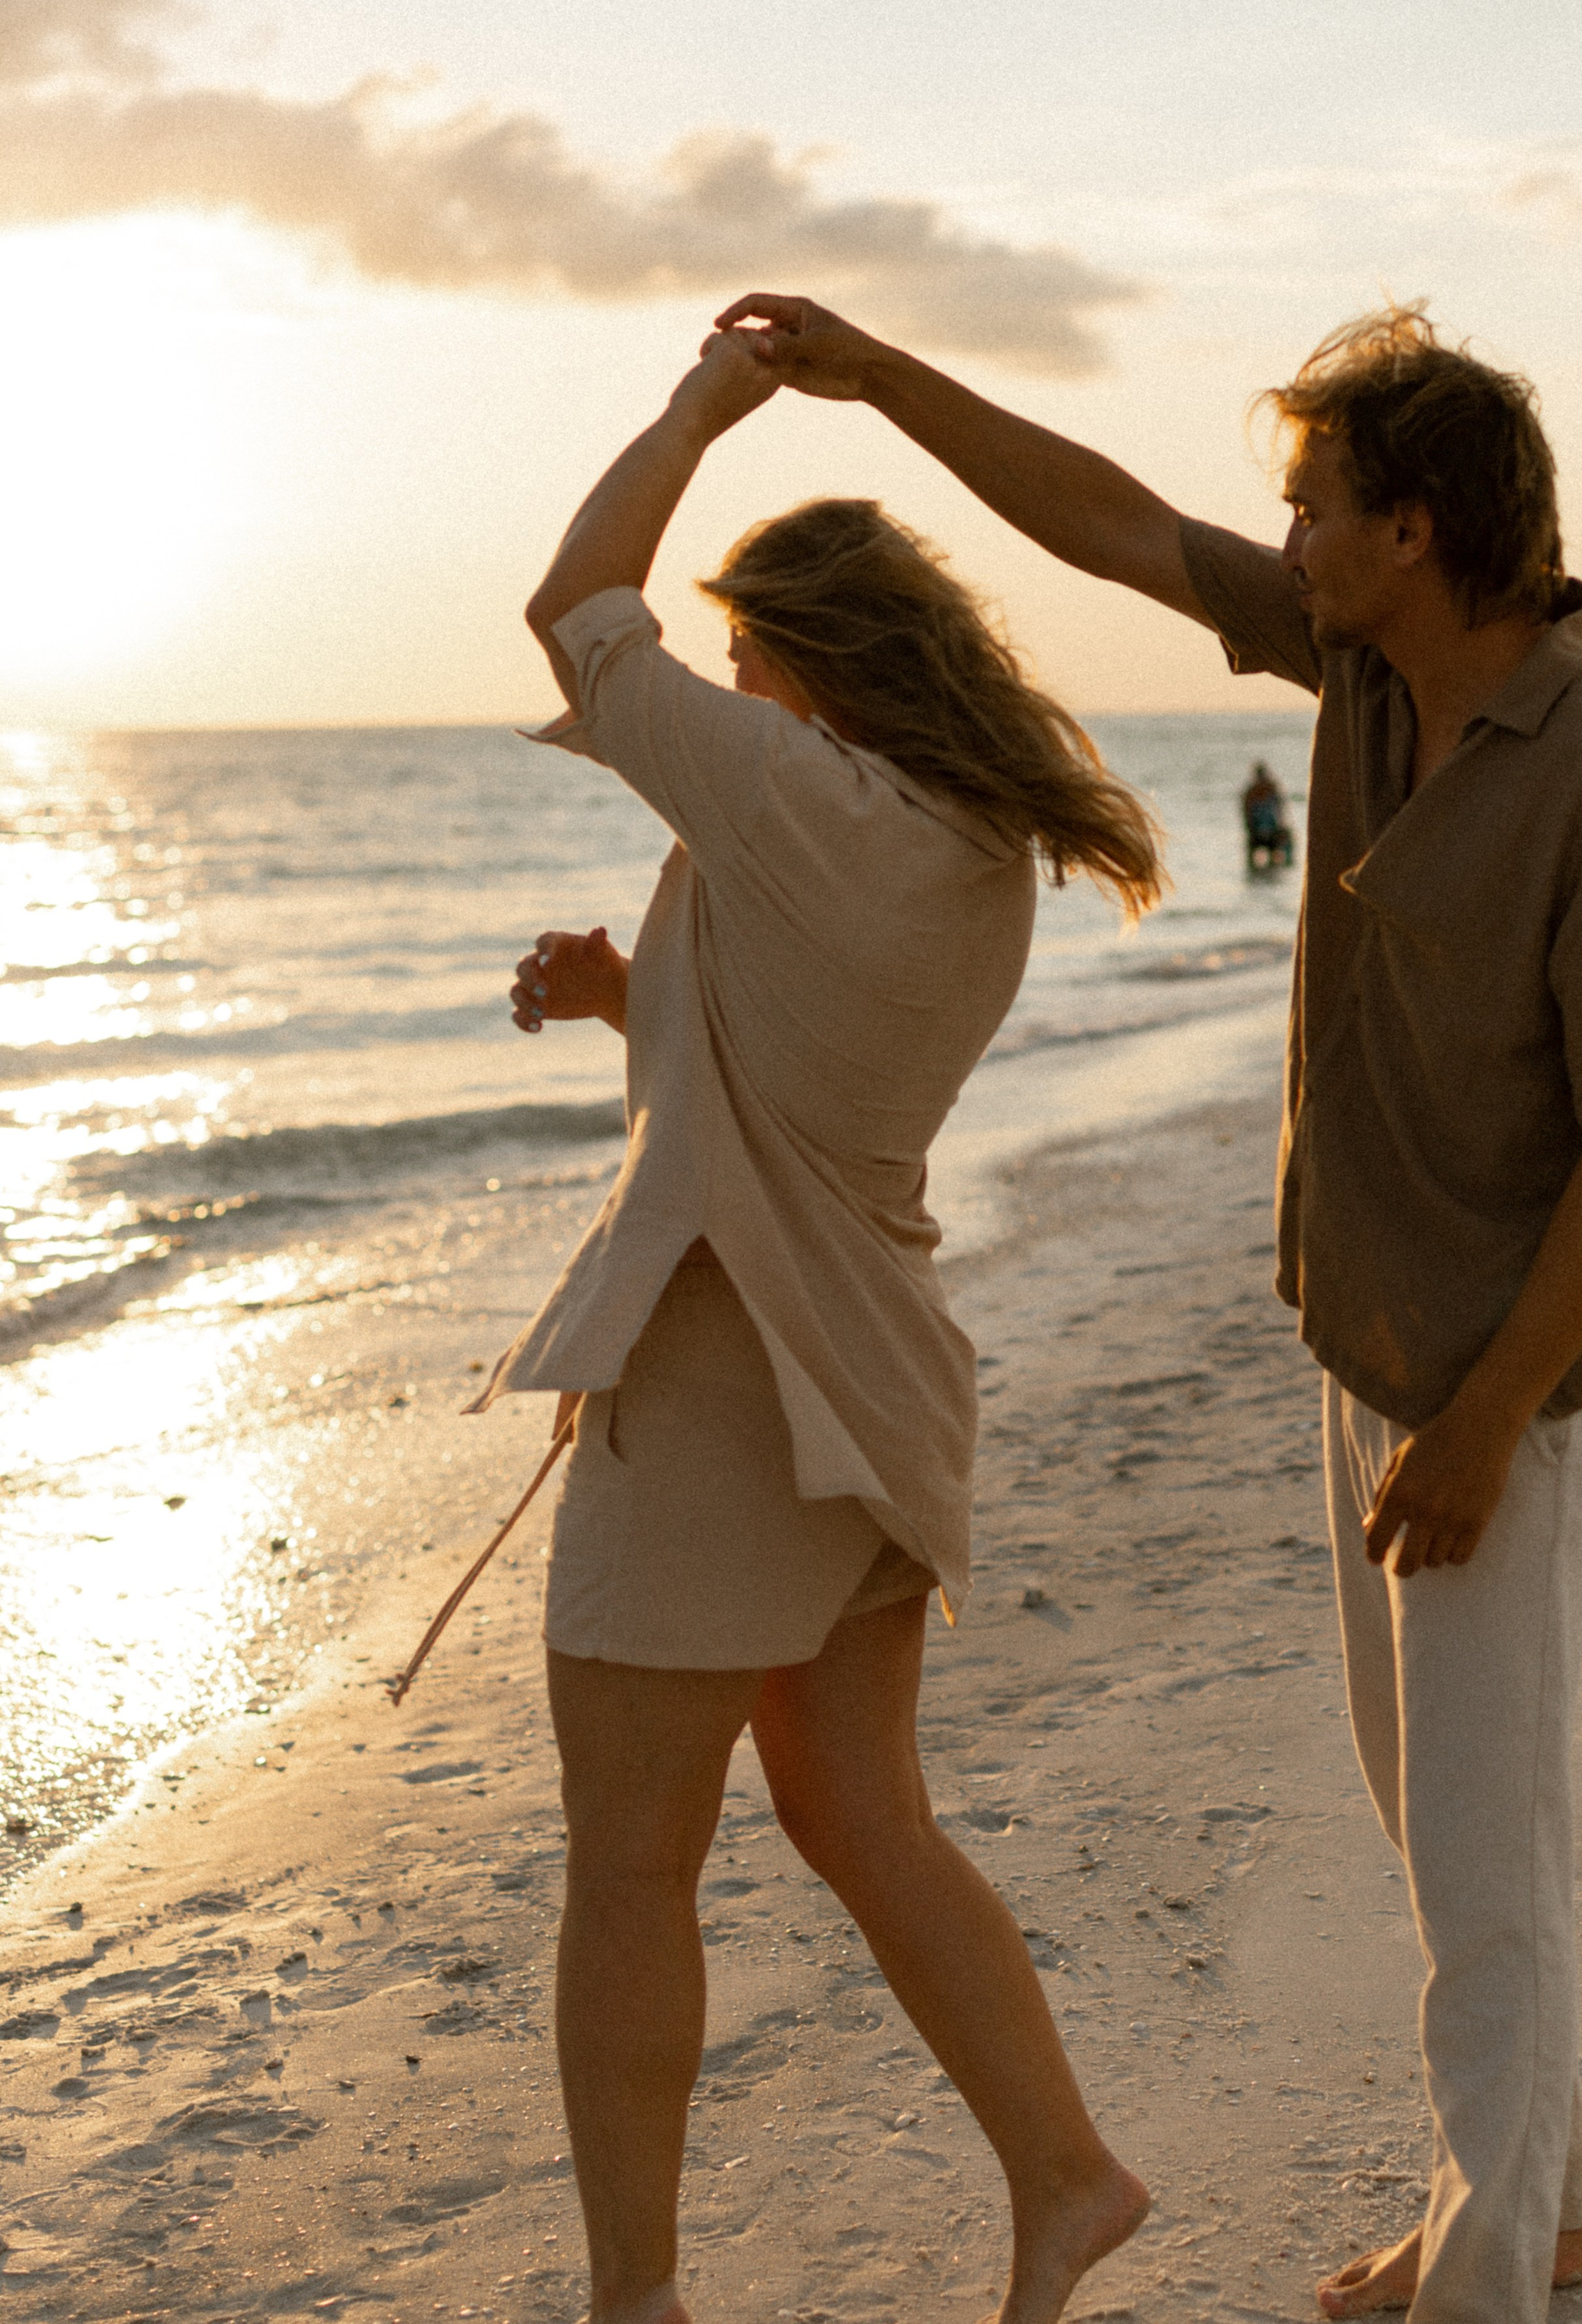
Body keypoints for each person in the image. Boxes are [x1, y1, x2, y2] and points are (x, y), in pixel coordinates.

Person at [708, 293, 1582, 2324]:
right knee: (1447, 1816)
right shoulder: (1359, 663)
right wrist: (887, 375)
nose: (1288, 530)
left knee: (1476, 1852)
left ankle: (1496, 2279)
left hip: (1499, 1376)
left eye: (1313, 502)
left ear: (1414, 525)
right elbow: (1108, 523)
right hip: (1374, 1340)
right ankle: (1546, 2211)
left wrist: (1486, 1421)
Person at [473, 330, 1162, 2324]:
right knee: (862, 1815)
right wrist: (641, 995)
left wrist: (694, 415)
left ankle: (636, 2305)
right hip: (868, 1378)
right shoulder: (972, 841)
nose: (737, 687)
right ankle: (1066, 2174)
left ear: (810, 660)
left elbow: (573, 610)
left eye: (753, 658)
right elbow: (811, 1083)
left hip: (721, 1389)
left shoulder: (791, 794)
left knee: (628, 1861)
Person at [1240, 759, 1293, 869]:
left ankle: (1287, 867)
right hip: (1258, 832)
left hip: (1272, 831)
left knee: (1287, 838)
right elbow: (1246, 817)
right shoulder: (1251, 793)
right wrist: (1252, 832)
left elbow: (1281, 814)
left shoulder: (1272, 790)